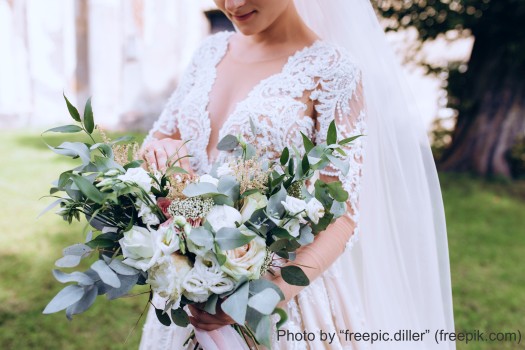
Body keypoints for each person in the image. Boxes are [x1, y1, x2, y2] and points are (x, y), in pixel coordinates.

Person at [139, 0, 456, 349]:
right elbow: (162, 138)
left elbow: (343, 214)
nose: (232, 4)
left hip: (279, 299)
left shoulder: (333, 71)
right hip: (188, 292)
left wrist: (262, 298)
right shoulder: (209, 51)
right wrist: (166, 159)